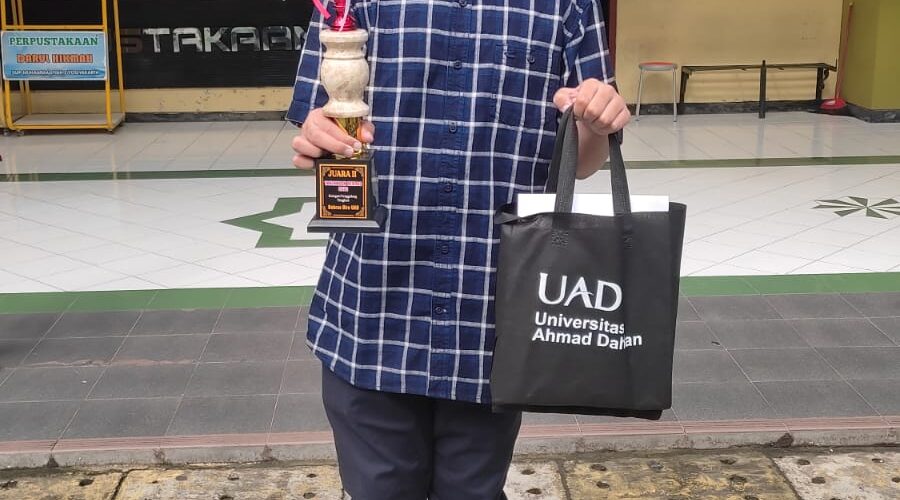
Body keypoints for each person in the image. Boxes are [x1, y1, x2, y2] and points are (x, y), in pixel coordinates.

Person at [288, 1, 629, 498]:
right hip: (372, 310)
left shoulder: (565, 5)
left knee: (474, 492)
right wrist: (319, 134)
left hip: (491, 316)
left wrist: (596, 119)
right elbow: (317, 119)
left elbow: (582, 160)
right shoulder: (354, 4)